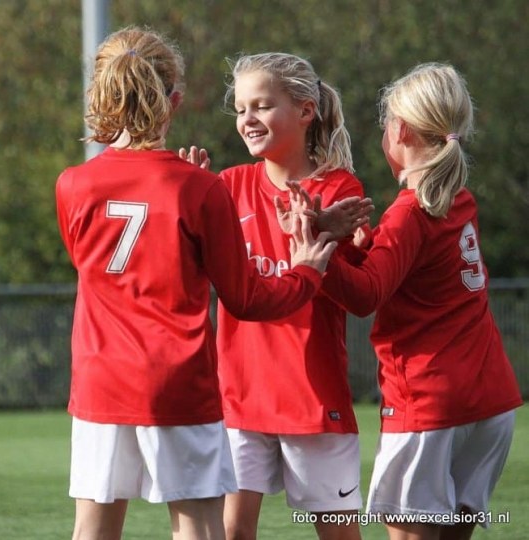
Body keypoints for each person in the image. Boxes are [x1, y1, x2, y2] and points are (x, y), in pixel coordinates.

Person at [55, 28, 339, 540]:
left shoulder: (72, 184)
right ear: (174, 100)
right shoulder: (201, 188)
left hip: (99, 380)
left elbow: (91, 266)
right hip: (177, 382)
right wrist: (307, 272)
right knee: (199, 528)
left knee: (92, 531)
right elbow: (248, 298)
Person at [300, 62, 522, 540]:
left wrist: (314, 257)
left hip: (429, 401)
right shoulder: (457, 198)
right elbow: (418, 274)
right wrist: (361, 246)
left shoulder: (410, 211)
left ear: (398, 130)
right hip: (490, 400)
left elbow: (366, 296)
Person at [183, 52, 371, 540]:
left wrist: (320, 239)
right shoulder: (226, 186)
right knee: (231, 531)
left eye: (262, 106)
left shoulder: (338, 187)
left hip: (312, 396)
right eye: (241, 109)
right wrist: (183, 192)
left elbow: (357, 289)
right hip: (239, 397)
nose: (247, 119)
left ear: (306, 111)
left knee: (337, 532)